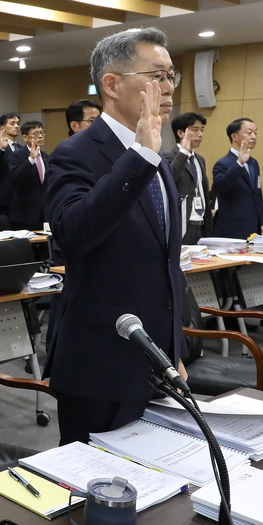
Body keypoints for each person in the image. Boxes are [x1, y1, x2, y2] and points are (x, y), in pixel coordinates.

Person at [44, 26, 185, 446]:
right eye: (156, 76)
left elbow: (163, 264)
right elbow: (71, 234)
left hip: (154, 358)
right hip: (100, 360)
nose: (169, 88)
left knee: (154, 491)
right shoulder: (77, 152)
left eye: (171, 76)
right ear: (111, 84)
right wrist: (138, 156)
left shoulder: (157, 156)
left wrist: (172, 351)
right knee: (93, 497)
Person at [208, 117, 263, 238]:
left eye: (255, 133)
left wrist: (261, 222)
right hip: (232, 226)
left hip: (253, 226)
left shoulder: (253, 163)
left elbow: (257, 195)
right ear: (234, 136)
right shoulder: (223, 163)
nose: (254, 137)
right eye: (249, 133)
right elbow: (222, 187)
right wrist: (239, 163)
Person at [164, 111, 209, 244]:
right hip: (182, 221)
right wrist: (183, 153)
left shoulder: (199, 159)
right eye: (195, 130)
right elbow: (169, 180)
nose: (200, 134)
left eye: (202, 130)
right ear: (180, 133)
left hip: (200, 222)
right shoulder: (168, 156)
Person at [8, 121, 50, 231]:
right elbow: (16, 178)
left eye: (42, 133)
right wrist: (31, 159)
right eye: (36, 133)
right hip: (24, 215)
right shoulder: (16, 155)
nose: (40, 136)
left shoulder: (46, 157)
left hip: (44, 215)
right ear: (25, 137)